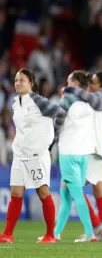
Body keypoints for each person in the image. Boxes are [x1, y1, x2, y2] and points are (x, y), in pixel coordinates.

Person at [0, 69, 63, 244]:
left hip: (37, 155)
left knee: (42, 192)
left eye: (22, 80)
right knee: (15, 193)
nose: (17, 83)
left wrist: (50, 141)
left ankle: (50, 235)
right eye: (16, 80)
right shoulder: (14, 102)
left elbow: (60, 114)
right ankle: (7, 234)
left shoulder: (39, 101)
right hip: (20, 154)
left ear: (31, 83)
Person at [63, 71, 102, 240]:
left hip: (94, 151)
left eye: (93, 82)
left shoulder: (100, 100)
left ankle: (95, 226)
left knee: (71, 188)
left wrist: (73, 91)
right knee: (99, 191)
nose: (89, 85)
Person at [53, 70, 97, 242]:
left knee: (77, 195)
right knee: (65, 195)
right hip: (83, 153)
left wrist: (51, 141)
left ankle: (89, 233)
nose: (66, 85)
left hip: (68, 152)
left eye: (69, 82)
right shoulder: (90, 102)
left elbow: (57, 121)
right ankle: (55, 233)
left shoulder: (67, 100)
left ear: (76, 85)